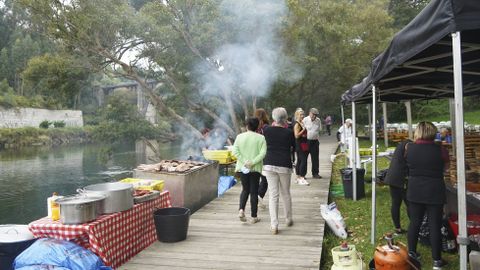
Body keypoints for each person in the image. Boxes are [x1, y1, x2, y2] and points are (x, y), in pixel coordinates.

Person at [405, 121, 449, 269]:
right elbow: (446, 168)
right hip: (435, 190)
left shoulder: (409, 148)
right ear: (433, 132)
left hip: (415, 189)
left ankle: (411, 254)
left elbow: (408, 165)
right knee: (434, 224)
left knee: (414, 222)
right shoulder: (441, 149)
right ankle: (437, 261)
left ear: (418, 132)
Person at [262, 107, 296, 235]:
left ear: (274, 118)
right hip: (284, 165)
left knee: (273, 195)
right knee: (286, 193)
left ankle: (274, 225)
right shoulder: (289, 132)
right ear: (285, 118)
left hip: (269, 164)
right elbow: (294, 148)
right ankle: (288, 219)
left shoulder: (266, 130)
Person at [232, 118, 267, 224]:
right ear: (257, 127)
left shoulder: (239, 137)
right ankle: (254, 217)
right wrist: (252, 162)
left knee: (245, 189)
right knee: (254, 192)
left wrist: (245, 162)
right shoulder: (261, 138)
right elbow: (263, 153)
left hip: (243, 168)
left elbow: (235, 152)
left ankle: (241, 210)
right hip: (255, 168)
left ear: (247, 126)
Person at [384, 139, 411, 235]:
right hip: (400, 177)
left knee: (396, 203)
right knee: (409, 203)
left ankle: (398, 228)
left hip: (392, 176)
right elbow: (409, 159)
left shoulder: (403, 144)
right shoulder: (409, 144)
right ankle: (414, 227)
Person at [254, 108, 270, 209]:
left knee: (257, 178)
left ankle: (256, 197)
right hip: (265, 155)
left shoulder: (253, 126)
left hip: (254, 155)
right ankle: (259, 196)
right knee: (265, 179)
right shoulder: (266, 127)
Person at [303, 108, 322, 179]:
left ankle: (315, 173)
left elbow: (320, 129)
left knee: (315, 158)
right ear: (309, 113)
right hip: (306, 141)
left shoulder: (318, 120)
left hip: (315, 141)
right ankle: (303, 174)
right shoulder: (305, 120)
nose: (314, 116)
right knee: (304, 158)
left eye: (316, 115)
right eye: (313, 114)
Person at [293, 109, 309, 185]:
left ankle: (298, 177)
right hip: (300, 144)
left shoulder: (302, 122)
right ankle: (301, 177)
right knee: (303, 160)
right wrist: (304, 130)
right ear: (297, 115)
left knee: (300, 160)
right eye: (300, 114)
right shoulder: (297, 124)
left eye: (303, 114)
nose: (302, 116)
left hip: (304, 143)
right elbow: (296, 135)